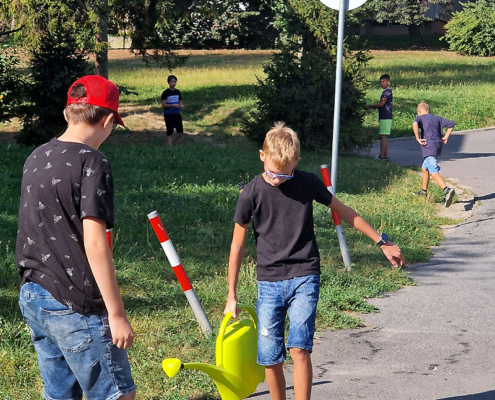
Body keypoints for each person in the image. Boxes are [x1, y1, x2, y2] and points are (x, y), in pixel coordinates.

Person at [223, 122, 403, 400]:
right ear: (262, 156)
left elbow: (344, 211)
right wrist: (231, 295)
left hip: (304, 275)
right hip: (269, 282)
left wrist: (381, 242)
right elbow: (237, 246)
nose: (277, 180)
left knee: (299, 348)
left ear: (296, 161)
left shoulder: (306, 183)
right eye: (272, 173)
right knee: (270, 357)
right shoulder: (250, 193)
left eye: (284, 174)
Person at [16, 75, 136, 400]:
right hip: (75, 304)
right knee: (116, 394)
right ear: (109, 120)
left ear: (70, 112)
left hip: (34, 294)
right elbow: (95, 243)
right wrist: (116, 313)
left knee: (59, 395)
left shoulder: (36, 156)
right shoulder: (92, 162)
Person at [412, 101, 456, 207]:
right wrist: (446, 137)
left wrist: (417, 138)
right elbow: (452, 124)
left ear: (419, 111)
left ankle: (447, 190)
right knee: (425, 168)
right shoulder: (437, 118)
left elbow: (414, 124)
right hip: (437, 146)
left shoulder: (420, 118)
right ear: (428, 110)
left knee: (433, 169)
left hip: (428, 146)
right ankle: (423, 191)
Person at [365, 74, 393, 161]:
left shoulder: (387, 92)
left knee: (383, 136)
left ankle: (382, 156)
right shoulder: (386, 91)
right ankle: (385, 155)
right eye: (380, 82)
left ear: (388, 82)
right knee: (383, 136)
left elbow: (381, 104)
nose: (382, 84)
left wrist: (370, 106)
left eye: (383, 82)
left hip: (385, 116)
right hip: (385, 116)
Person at [161, 74, 184, 146]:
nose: (173, 83)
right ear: (168, 82)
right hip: (168, 113)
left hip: (177, 113)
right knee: (170, 131)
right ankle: (169, 146)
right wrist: (172, 105)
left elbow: (180, 101)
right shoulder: (165, 93)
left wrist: (181, 105)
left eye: (175, 81)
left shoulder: (178, 92)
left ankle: (173, 142)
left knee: (180, 132)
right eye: (172, 81)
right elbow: (163, 104)